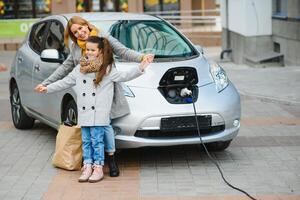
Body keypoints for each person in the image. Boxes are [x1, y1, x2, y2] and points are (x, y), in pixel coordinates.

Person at [34, 16, 154, 177]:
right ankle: (89, 164)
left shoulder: (104, 40)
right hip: (86, 95)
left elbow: (123, 52)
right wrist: (46, 84)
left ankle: (109, 160)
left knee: (105, 128)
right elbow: (65, 70)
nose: (80, 33)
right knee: (90, 133)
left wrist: (141, 58)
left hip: (105, 90)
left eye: (81, 28)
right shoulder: (77, 49)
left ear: (86, 25)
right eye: (75, 32)